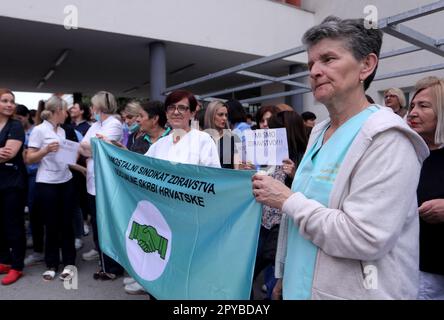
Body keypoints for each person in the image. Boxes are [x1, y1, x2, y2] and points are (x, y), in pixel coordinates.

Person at [252, 16, 429, 300]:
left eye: (328, 59)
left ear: (366, 65)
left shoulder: (388, 138)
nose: (315, 71)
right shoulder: (320, 131)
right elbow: (302, 217)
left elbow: (364, 237)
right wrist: (286, 272)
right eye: (311, 64)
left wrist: (286, 199)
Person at [252, 110, 307, 299]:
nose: (267, 128)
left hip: (282, 228)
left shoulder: (304, 157)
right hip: (262, 223)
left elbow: (307, 193)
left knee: (275, 281)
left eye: (272, 125)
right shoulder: (268, 154)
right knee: (249, 273)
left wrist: (294, 175)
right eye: (263, 122)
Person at [26, 96, 77, 281]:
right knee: (51, 224)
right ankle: (52, 264)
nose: (68, 113)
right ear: (57, 111)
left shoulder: (64, 131)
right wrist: (45, 150)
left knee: (67, 224)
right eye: (65, 110)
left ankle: (70, 264)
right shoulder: (38, 130)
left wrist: (82, 168)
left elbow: (69, 159)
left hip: (66, 180)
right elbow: (29, 158)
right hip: (46, 182)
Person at [79, 91, 124, 279]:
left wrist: (93, 148)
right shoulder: (96, 125)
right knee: (97, 225)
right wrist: (93, 147)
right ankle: (104, 261)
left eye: (93, 106)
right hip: (92, 183)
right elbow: (82, 147)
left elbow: (100, 149)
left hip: (104, 185)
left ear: (99, 107)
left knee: (106, 226)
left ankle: (112, 268)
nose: (91, 109)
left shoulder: (114, 124)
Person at [406, 76, 444, 299]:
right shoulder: (407, 153)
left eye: (423, 106)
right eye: (411, 106)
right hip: (413, 266)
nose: (412, 112)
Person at [146, 89, 220, 168]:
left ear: (192, 113)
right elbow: (143, 167)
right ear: (166, 114)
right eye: (171, 108)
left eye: (182, 108)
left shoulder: (203, 140)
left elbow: (213, 174)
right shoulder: (159, 144)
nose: (176, 112)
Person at [0, 88, 27, 285]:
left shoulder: (15, 126)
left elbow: (8, 154)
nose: (10, 104)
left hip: (13, 183)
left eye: (12, 101)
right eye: (5, 101)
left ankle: (17, 266)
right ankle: (5, 260)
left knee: (13, 224)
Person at [204, 100, 239, 169]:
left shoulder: (231, 138)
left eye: (226, 115)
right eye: (220, 115)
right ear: (211, 116)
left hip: (227, 178)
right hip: (206, 178)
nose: (224, 118)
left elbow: (237, 168)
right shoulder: (202, 137)